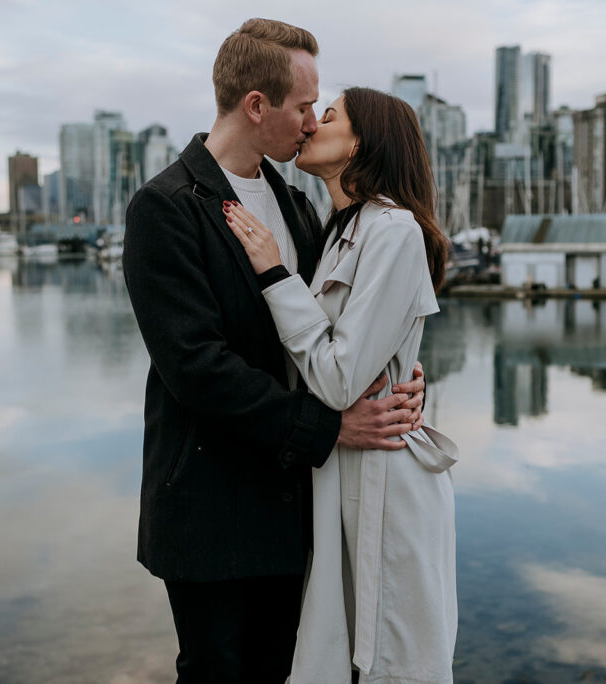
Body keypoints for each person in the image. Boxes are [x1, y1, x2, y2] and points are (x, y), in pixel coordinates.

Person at [121, 19, 427, 684]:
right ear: (257, 106)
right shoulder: (165, 207)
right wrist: (332, 428)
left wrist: (400, 376)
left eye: (320, 108)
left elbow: (330, 330)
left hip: (298, 504)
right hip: (213, 509)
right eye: (303, 106)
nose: (312, 122)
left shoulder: (298, 204)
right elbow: (197, 369)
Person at [224, 88, 458, 683]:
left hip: (384, 479)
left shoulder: (395, 231)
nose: (309, 124)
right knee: (337, 655)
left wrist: (276, 274)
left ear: (361, 143)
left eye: (327, 116)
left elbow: (336, 378)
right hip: (338, 471)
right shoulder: (335, 231)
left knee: (394, 662)